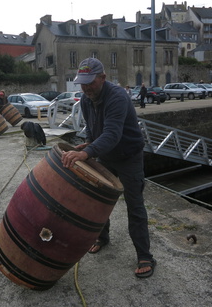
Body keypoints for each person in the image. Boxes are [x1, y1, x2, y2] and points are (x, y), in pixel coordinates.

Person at [61, 58, 156, 278]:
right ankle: (102, 237)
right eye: (82, 83)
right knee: (98, 200)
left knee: (135, 206)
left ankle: (145, 255)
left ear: (103, 78)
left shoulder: (118, 97)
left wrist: (85, 154)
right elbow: (94, 130)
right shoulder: (86, 99)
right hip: (106, 155)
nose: (85, 88)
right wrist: (88, 143)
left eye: (90, 82)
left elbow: (112, 134)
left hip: (129, 156)